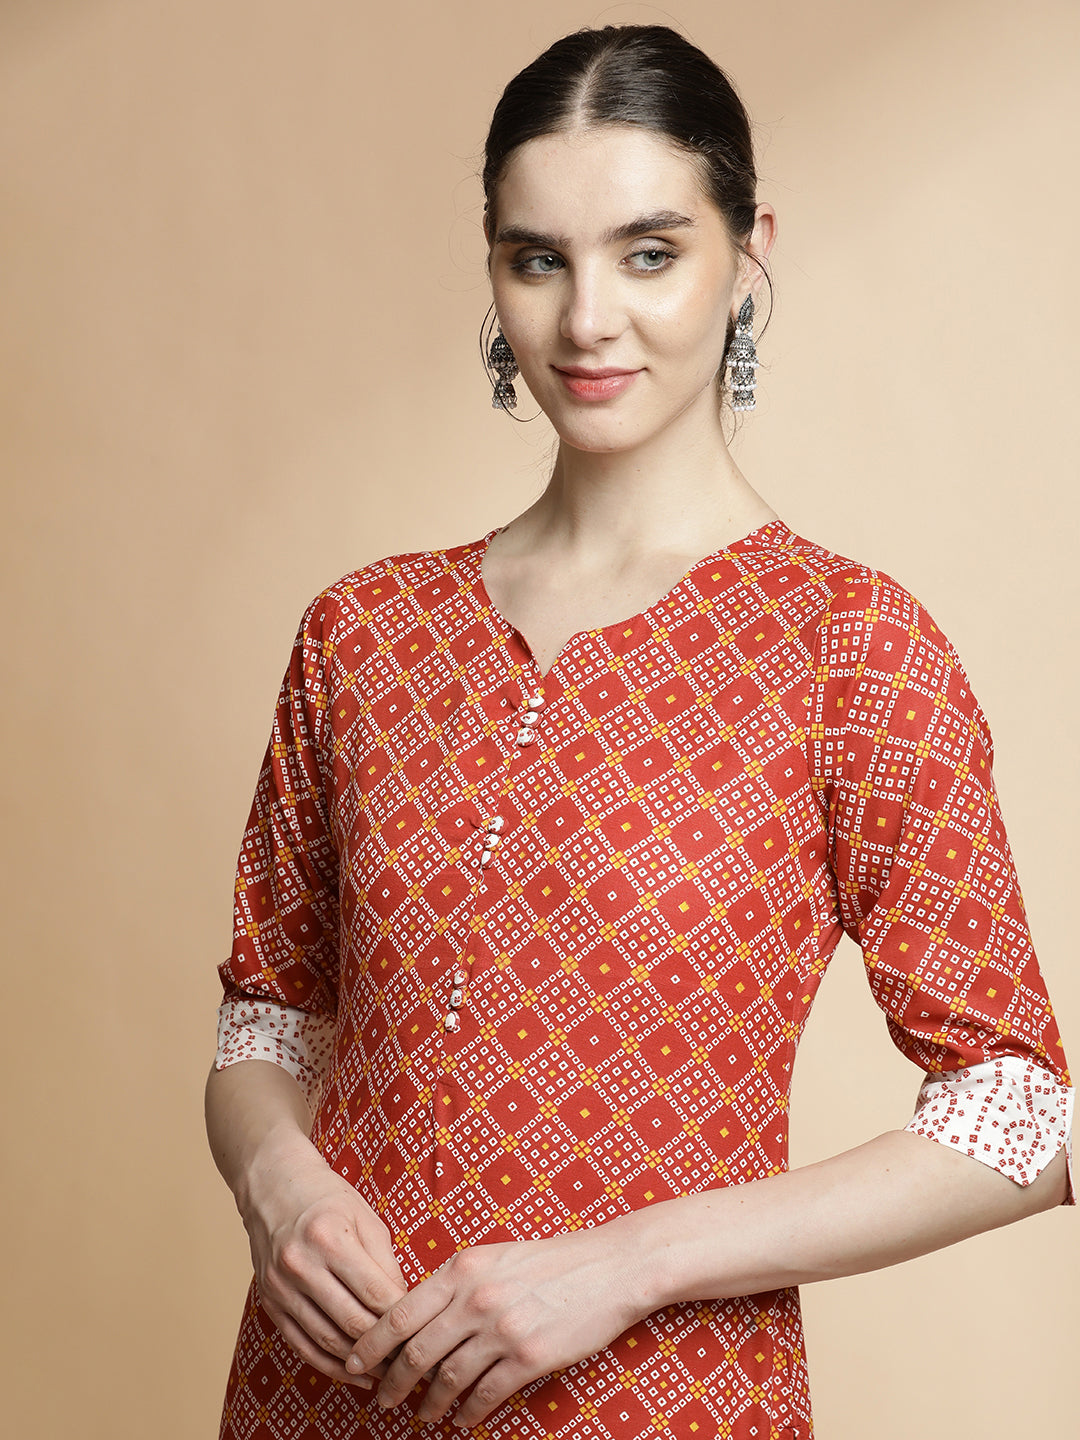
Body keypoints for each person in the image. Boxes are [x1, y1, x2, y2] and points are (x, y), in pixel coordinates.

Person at [204, 23, 1075, 1440]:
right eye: (538, 258)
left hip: (658, 1401)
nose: (587, 319)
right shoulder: (363, 632)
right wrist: (278, 1186)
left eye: (650, 253)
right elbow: (265, 1025)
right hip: (323, 1393)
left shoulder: (845, 646)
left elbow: (1021, 1119)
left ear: (749, 253)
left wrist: (623, 1265)